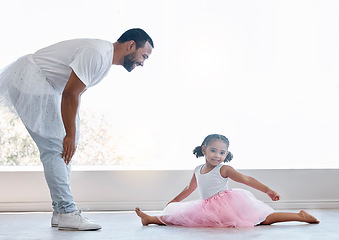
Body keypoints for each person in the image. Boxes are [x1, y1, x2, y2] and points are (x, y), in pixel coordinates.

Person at [0, 28, 154, 231]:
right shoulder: (98, 54)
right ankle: (66, 212)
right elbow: (70, 94)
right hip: (31, 79)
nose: (142, 62)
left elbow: (74, 94)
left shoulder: (103, 60)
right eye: (143, 56)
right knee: (56, 146)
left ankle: (60, 211)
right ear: (131, 45)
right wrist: (69, 135)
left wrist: (72, 134)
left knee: (65, 144)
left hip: (43, 83)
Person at [135, 134, 319, 227]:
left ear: (226, 154)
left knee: (262, 220)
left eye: (222, 152)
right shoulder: (198, 169)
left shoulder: (224, 169)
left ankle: (300, 216)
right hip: (206, 206)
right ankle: (150, 219)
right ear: (204, 149)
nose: (217, 155)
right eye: (213, 150)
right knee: (181, 217)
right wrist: (175, 200)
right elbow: (189, 188)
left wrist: (268, 190)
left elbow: (246, 179)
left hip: (227, 203)